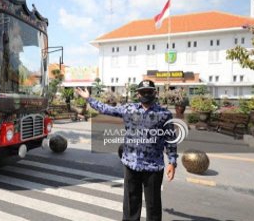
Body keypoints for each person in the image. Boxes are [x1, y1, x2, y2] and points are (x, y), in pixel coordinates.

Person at [75, 80, 178, 221]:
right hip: (131, 164)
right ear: (138, 94)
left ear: (155, 93)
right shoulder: (129, 109)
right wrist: (89, 99)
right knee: (131, 204)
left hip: (153, 167)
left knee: (153, 206)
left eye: (149, 91)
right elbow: (106, 109)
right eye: (143, 92)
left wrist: (172, 161)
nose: (146, 94)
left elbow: (170, 139)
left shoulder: (164, 114)